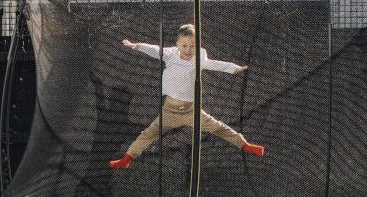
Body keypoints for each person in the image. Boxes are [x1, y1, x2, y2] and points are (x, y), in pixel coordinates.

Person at [108, 23, 264, 170]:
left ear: (198, 45)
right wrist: (137, 46)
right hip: (170, 112)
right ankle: (126, 159)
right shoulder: (170, 54)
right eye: (184, 46)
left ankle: (246, 145)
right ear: (177, 44)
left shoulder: (200, 57)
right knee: (148, 134)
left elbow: (216, 64)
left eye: (192, 46)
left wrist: (234, 68)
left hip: (192, 111)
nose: (188, 50)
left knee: (219, 127)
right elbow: (156, 49)